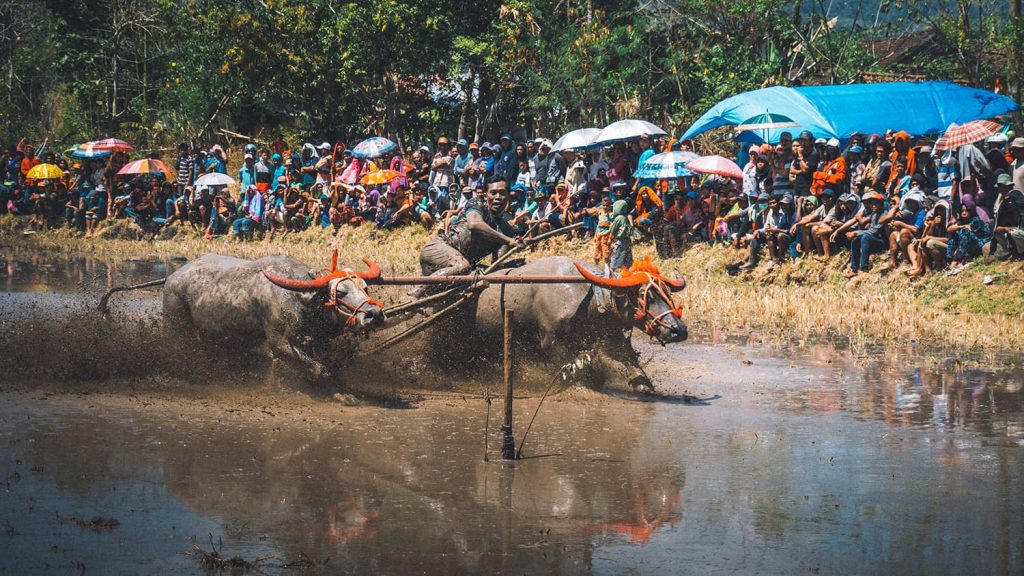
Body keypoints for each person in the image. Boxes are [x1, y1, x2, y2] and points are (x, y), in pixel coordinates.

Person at [415, 176, 520, 294]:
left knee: (472, 271)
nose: (497, 197)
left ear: (508, 196)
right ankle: (414, 295)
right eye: (493, 193)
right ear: (486, 195)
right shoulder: (476, 203)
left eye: (502, 193)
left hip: (456, 263)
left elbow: (497, 264)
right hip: (438, 248)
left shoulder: (506, 229)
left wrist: (515, 251)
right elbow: (474, 224)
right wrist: (508, 240)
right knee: (463, 266)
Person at [843, 191, 890, 278]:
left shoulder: (884, 214)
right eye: (872, 204)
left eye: (876, 204)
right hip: (873, 240)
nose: (873, 206)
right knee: (856, 239)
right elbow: (862, 222)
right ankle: (854, 268)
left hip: (883, 242)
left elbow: (874, 232)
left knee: (865, 237)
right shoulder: (873, 214)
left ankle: (864, 267)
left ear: (881, 204)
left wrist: (855, 232)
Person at [987, 173, 1024, 259]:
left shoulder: (1016, 195)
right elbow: (997, 224)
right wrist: (1004, 228)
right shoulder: (1001, 200)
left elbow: (1018, 207)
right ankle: (1012, 251)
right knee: (995, 228)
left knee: (1015, 233)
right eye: (1000, 185)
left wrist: (1007, 200)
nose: (1002, 188)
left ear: (1010, 186)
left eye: (1004, 185)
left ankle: (1021, 253)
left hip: (1020, 229)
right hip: (1010, 230)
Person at [608, 199, 633, 271]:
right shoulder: (625, 217)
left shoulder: (618, 218)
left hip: (620, 241)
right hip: (627, 240)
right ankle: (627, 271)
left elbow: (613, 230)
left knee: (616, 256)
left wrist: (610, 239)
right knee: (627, 257)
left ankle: (612, 272)